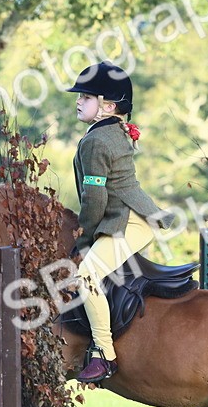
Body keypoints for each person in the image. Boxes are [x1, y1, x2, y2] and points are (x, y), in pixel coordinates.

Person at [67, 60, 172, 383]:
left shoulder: (96, 140)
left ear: (108, 106)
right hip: (126, 217)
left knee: (86, 274)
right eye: (79, 96)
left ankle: (104, 356)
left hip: (128, 221)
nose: (78, 101)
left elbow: (94, 199)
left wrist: (82, 241)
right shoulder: (106, 131)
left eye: (86, 97)